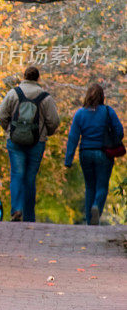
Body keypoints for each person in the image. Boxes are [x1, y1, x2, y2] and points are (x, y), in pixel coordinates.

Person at [0, 65, 59, 222]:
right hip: (37, 142)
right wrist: (45, 133)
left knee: (17, 174)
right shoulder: (45, 97)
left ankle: (16, 209)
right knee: (30, 177)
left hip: (15, 140)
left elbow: (1, 115)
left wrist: (9, 130)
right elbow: (53, 121)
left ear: (24, 77)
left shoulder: (13, 93)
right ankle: (29, 215)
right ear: (38, 78)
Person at [64, 82, 124, 225]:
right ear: (102, 96)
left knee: (89, 186)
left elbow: (73, 138)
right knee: (102, 186)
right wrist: (111, 138)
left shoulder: (80, 113)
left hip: (85, 153)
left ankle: (89, 221)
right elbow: (120, 132)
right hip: (104, 153)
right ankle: (96, 206)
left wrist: (68, 159)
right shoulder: (108, 111)